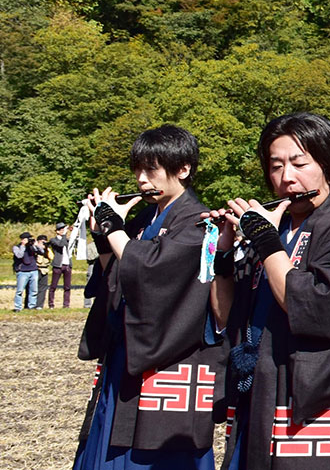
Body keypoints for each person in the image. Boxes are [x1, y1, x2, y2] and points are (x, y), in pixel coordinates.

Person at [209, 112, 330, 469]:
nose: (287, 178)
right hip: (262, 396)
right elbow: (226, 317)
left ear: (327, 164)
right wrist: (224, 248)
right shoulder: (272, 232)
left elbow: (313, 307)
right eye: (276, 166)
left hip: (322, 405)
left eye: (299, 163)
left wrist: (264, 239)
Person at [74, 125, 227, 470]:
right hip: (128, 352)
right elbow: (117, 274)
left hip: (170, 358)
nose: (142, 180)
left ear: (183, 169)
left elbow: (150, 272)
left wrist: (113, 225)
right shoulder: (146, 216)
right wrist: (104, 235)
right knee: (110, 441)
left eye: (151, 169)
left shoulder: (198, 222)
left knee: (159, 453)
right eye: (138, 170)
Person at [46, 224, 76, 308]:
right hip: (58, 265)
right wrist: (64, 235)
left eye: (63, 229)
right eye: (61, 229)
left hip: (67, 265)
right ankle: (51, 304)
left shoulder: (66, 240)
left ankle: (66, 304)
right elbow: (60, 245)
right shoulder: (53, 240)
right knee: (53, 286)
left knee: (67, 286)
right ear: (57, 231)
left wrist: (73, 232)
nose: (63, 231)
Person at [13, 232, 40, 311]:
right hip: (22, 271)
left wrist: (36, 245)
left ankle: (32, 306)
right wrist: (23, 245)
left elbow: (41, 252)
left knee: (34, 290)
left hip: (33, 270)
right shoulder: (16, 247)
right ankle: (18, 307)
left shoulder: (32, 247)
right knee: (19, 291)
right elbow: (19, 255)